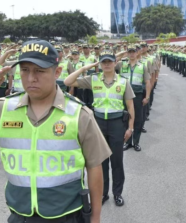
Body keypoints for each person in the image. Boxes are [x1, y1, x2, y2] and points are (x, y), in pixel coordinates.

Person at [0, 40, 111, 223]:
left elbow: (94, 167)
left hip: (66, 215)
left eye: (39, 71)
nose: (30, 78)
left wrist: (96, 217)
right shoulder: (5, 110)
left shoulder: (79, 114)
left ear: (57, 72)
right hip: (20, 215)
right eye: (25, 70)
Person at [64, 50, 135, 207]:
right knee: (100, 162)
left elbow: (130, 107)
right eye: (104, 62)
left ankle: (117, 193)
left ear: (115, 63)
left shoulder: (123, 81)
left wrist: (130, 128)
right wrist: (84, 68)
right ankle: (103, 194)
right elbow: (68, 81)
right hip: (98, 123)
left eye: (110, 61)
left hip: (117, 123)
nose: (107, 64)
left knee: (117, 161)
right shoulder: (93, 79)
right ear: (100, 64)